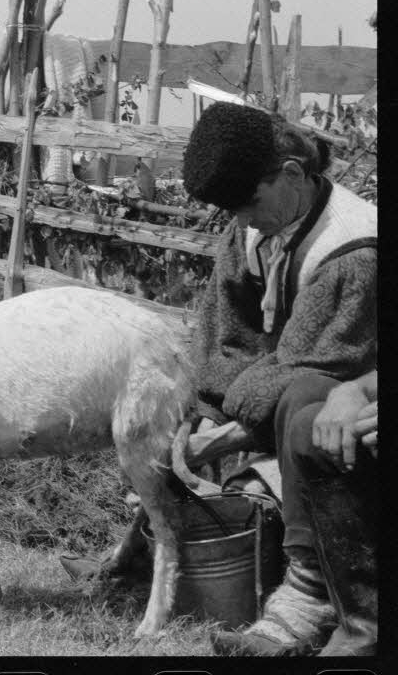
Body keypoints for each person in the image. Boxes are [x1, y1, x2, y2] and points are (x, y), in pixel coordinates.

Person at [64, 102, 378, 658]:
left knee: (299, 396)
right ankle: (133, 558)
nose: (242, 220)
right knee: (182, 435)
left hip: (342, 390)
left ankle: (308, 593)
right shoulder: (257, 227)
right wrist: (200, 409)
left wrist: (230, 421)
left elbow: (317, 361)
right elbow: (223, 337)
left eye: (248, 204)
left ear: (291, 174)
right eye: (233, 210)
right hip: (271, 380)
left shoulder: (352, 248)